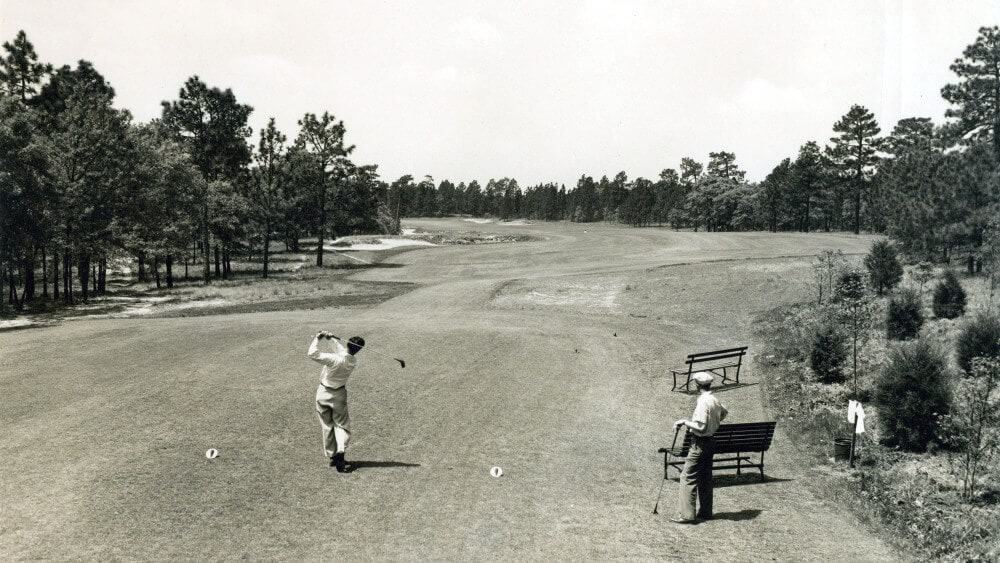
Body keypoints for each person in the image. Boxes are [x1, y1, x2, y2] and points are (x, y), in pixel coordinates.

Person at [671, 371, 728, 523]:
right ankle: (706, 511)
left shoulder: (703, 401)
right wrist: (714, 423)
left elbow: (700, 427)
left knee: (687, 477)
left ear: (697, 385)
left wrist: (683, 421)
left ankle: (686, 515)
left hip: (700, 443)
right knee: (705, 477)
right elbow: (724, 412)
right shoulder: (714, 399)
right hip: (711, 442)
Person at [307, 331, 365, 472]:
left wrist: (318, 338)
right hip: (339, 394)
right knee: (341, 425)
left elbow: (312, 353)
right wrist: (330, 338)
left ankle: (333, 457)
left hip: (323, 393)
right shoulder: (352, 361)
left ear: (348, 344)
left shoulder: (333, 359)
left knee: (327, 426)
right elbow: (342, 351)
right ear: (358, 350)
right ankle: (340, 452)